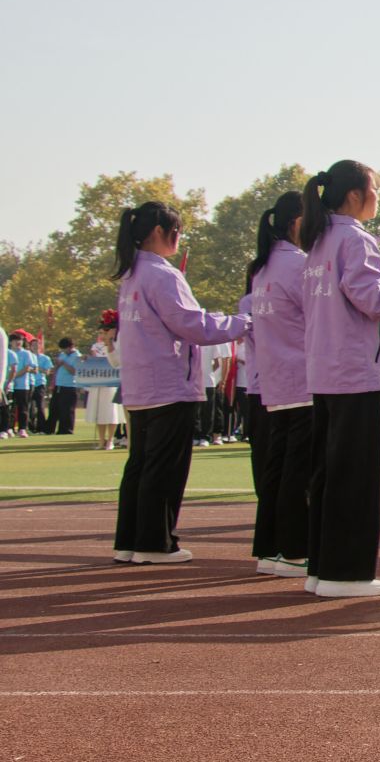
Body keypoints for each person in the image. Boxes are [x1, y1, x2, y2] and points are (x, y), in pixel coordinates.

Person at [301, 161, 380, 598]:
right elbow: (374, 299)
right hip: (356, 373)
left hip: (326, 373)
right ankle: (347, 574)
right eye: (375, 188)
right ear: (355, 195)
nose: (378, 196)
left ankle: (322, 568)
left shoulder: (318, 241)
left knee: (328, 476)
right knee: (356, 478)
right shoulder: (354, 239)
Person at [110, 202, 251, 565]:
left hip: (141, 385)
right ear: (160, 232)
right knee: (164, 468)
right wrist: (242, 322)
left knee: (140, 464)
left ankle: (130, 540)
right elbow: (194, 325)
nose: (178, 239)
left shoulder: (131, 275)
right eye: (177, 232)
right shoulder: (162, 274)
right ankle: (155, 543)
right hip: (168, 384)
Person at [247, 191, 314, 576]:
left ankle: (271, 548)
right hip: (303, 378)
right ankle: (295, 550)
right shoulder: (299, 265)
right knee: (299, 470)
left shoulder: (264, 267)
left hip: (275, 382)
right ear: (296, 222)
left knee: (277, 467)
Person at [86, 315, 122, 450]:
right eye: (100, 333)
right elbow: (93, 362)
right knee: (99, 412)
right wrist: (86, 359)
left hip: (112, 383)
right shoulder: (96, 346)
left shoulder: (117, 344)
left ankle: (110, 440)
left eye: (103, 333)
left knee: (111, 411)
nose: (101, 335)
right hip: (98, 383)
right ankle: (102, 440)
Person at [47, 338, 80, 436]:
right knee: (54, 408)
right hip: (59, 385)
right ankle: (49, 429)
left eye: (65, 349)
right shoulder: (62, 354)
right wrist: (56, 365)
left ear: (71, 347)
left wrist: (64, 363)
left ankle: (66, 430)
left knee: (67, 410)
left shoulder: (77, 356)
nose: (63, 351)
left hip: (70, 386)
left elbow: (74, 371)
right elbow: (56, 369)